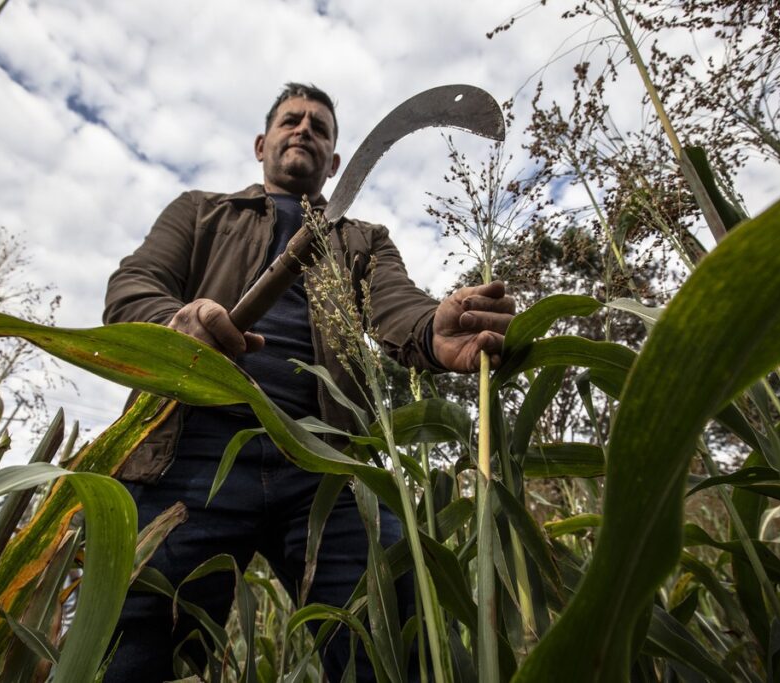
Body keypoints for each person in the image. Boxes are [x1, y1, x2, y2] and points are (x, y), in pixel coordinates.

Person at [102, 82, 514, 682]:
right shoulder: (200, 211)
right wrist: (175, 323)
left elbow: (396, 306)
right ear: (260, 144)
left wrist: (433, 329)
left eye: (319, 127)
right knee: (129, 640)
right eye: (291, 121)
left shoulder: (362, 238)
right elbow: (133, 287)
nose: (304, 130)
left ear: (335, 161)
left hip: (327, 458)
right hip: (187, 450)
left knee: (392, 634)